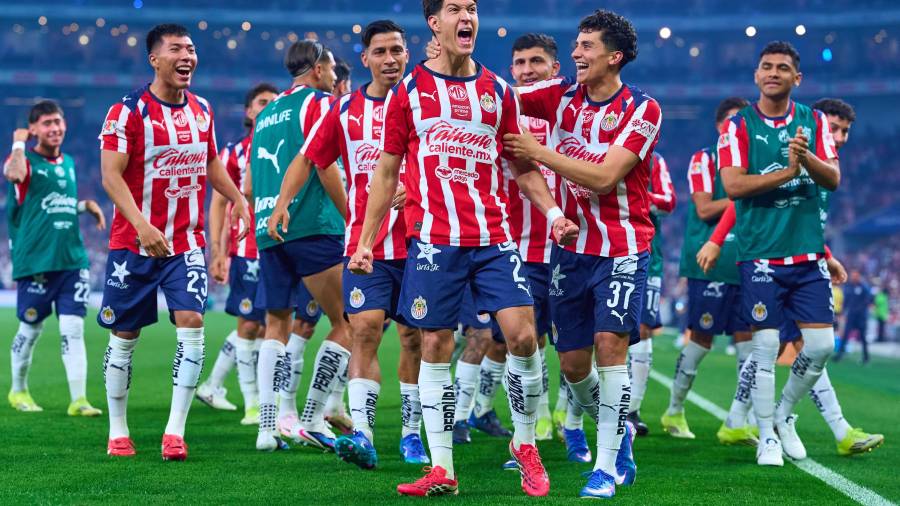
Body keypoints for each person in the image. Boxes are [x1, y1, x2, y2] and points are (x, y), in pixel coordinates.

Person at [348, 0, 577, 496]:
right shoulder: (408, 93)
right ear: (435, 23)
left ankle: (524, 444)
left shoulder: (498, 91)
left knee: (522, 337)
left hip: (494, 239)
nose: (466, 16)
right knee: (434, 344)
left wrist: (555, 215)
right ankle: (443, 469)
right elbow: (386, 173)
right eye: (455, 8)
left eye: (471, 7)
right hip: (434, 242)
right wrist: (366, 241)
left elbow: (522, 166)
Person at [504, 9, 661, 498]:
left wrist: (536, 151)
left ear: (614, 57)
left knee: (611, 348)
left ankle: (606, 466)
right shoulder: (560, 97)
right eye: (575, 45)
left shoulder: (643, 109)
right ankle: (622, 441)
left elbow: (604, 177)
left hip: (623, 247)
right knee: (573, 365)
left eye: (587, 46)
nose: (576, 53)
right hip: (571, 251)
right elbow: (499, 97)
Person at [270, 19, 429, 468]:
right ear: (365, 60)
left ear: (406, 54)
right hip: (365, 247)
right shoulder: (343, 111)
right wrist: (283, 202)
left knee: (414, 338)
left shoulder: (423, 103)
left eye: (397, 50)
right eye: (380, 52)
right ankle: (363, 434)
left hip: (420, 241)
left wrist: (414, 186)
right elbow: (309, 159)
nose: (390, 59)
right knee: (363, 330)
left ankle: (413, 434)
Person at [98, 23, 251, 460]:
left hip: (185, 243)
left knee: (193, 323)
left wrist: (237, 198)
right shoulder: (126, 112)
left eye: (191, 49)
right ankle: (118, 429)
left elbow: (209, 161)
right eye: (177, 49)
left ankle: (175, 431)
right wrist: (143, 225)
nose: (187, 56)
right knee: (124, 335)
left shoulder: (201, 109)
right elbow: (110, 175)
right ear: (155, 59)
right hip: (133, 245)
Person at [701, 95, 883, 457]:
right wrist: (716, 240)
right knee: (776, 350)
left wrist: (826, 255)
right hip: (766, 260)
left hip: (805, 261)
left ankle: (741, 419)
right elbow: (743, 204)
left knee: (804, 349)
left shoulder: (823, 168)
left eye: (845, 131)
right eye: (834, 129)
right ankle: (830, 427)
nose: (840, 137)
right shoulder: (791, 152)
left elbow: (806, 221)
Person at [717, 41, 840, 467]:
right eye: (766, 67)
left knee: (822, 345)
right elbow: (732, 187)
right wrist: (787, 172)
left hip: (806, 254)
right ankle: (766, 434)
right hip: (761, 255)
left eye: (783, 68)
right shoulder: (738, 127)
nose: (773, 73)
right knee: (766, 347)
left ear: (796, 78)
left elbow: (834, 179)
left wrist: (804, 160)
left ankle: (785, 415)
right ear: (756, 75)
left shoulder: (815, 121)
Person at [251, 39, 351, 452]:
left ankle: (267, 428)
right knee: (349, 323)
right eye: (329, 68)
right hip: (312, 224)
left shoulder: (267, 112)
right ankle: (312, 417)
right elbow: (322, 163)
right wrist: (352, 217)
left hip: (268, 228)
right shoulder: (321, 104)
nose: (333, 76)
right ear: (316, 68)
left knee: (276, 326)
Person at [664, 97, 757, 445]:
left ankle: (738, 419)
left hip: (746, 263)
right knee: (701, 341)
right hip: (709, 264)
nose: (737, 126)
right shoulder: (705, 158)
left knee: (748, 345)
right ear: (720, 126)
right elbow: (703, 209)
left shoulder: (755, 163)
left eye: (743, 121)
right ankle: (674, 409)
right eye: (732, 120)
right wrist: (748, 192)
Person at [5, 100, 106, 415]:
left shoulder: (70, 162)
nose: (55, 128)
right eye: (47, 123)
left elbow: (54, 203)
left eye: (58, 122)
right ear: (34, 128)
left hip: (71, 260)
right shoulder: (23, 159)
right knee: (31, 328)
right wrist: (19, 142)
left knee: (73, 328)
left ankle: (78, 400)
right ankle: (18, 390)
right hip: (36, 261)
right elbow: (13, 174)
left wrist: (83, 206)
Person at [197, 83, 277, 424]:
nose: (269, 107)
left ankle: (214, 385)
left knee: (266, 328)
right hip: (248, 250)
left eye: (275, 103)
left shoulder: (292, 149)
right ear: (249, 111)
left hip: (282, 248)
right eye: (262, 102)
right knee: (249, 325)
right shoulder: (234, 153)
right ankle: (254, 403)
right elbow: (217, 203)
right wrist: (218, 250)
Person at [629, 150, 675, 436]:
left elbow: (669, 201)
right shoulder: (593, 146)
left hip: (648, 257)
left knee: (643, 329)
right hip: (603, 252)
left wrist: (631, 196)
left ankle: (632, 410)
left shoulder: (655, 160)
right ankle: (571, 414)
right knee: (599, 334)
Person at [834, 270, 873, 363]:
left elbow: (868, 300)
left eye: (855, 276)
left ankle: (866, 357)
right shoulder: (849, 287)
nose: (853, 277)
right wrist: (843, 312)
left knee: (863, 337)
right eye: (852, 275)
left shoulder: (864, 287)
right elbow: (846, 301)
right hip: (851, 316)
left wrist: (859, 310)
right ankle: (840, 354)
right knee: (845, 335)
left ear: (859, 276)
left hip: (861, 317)